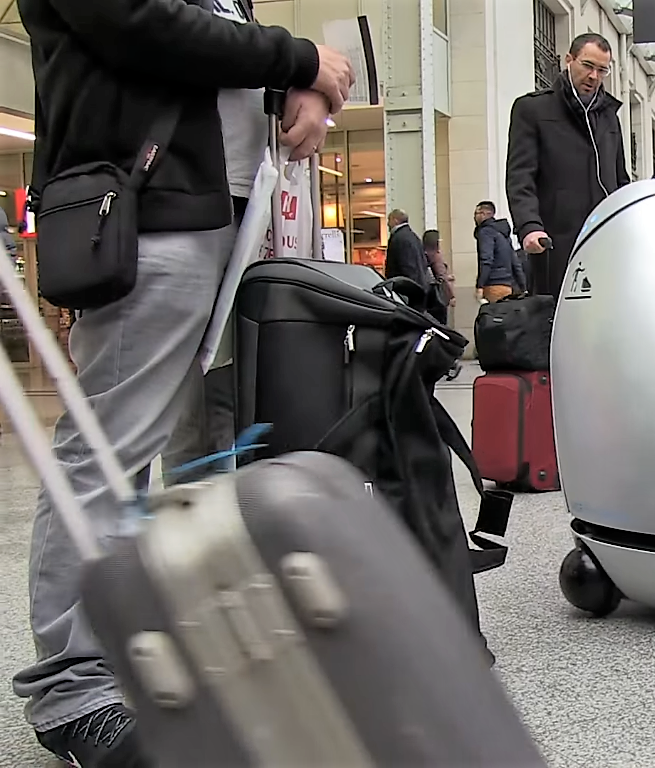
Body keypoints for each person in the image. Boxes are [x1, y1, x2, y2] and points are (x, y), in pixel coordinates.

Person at [15, 0, 353, 764]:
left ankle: (146, 644)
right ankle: (73, 688)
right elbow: (136, 20)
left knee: (196, 441)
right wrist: (296, 61)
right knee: (111, 447)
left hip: (216, 210)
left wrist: (296, 85)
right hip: (149, 207)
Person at [506, 32, 630, 298]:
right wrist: (529, 226)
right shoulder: (533, 110)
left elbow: (620, 179)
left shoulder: (609, 118)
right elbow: (520, 177)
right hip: (555, 243)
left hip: (605, 242)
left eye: (602, 70)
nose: (593, 76)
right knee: (556, 321)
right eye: (587, 65)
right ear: (568, 60)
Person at [474, 200, 527, 303]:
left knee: (493, 316)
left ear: (484, 214)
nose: (474, 217)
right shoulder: (503, 234)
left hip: (493, 284)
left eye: (476, 213)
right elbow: (515, 262)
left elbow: (486, 259)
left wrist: (480, 285)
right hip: (507, 286)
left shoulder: (485, 232)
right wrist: (523, 287)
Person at [422, 228, 457, 317]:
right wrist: (451, 296)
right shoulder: (436, 256)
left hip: (426, 296)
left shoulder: (423, 254)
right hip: (437, 298)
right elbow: (441, 277)